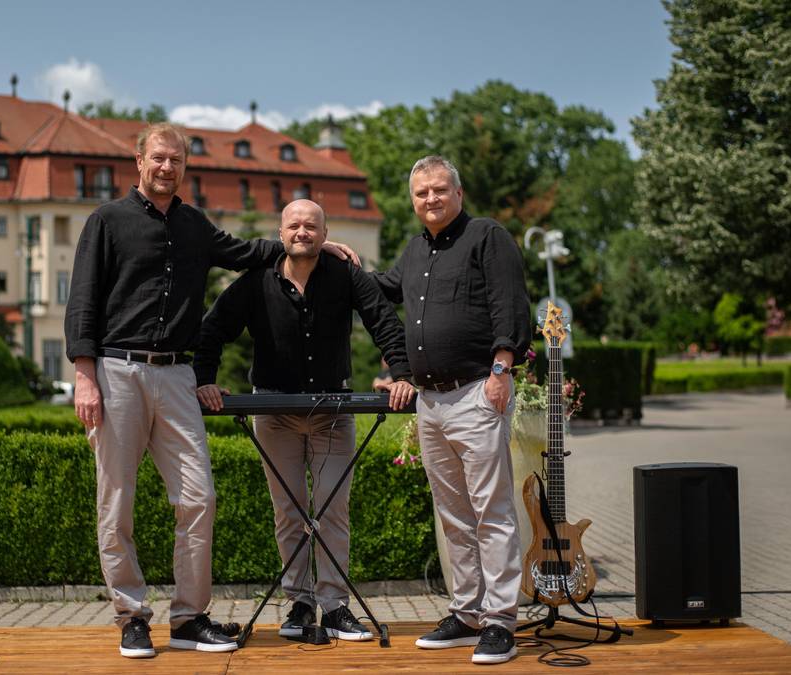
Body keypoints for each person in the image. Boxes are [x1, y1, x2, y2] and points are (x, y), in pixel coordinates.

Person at [64, 124, 358, 659]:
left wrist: (308, 241)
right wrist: (85, 375)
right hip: (117, 371)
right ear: (139, 161)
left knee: (199, 498)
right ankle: (131, 616)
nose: (166, 167)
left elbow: (246, 251)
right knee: (117, 503)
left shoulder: (195, 224)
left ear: (183, 167)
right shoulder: (105, 221)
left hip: (177, 375)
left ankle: (189, 618)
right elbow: (82, 299)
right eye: (158, 158)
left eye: (176, 160)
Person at [195, 199, 415, 642]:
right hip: (273, 414)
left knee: (333, 512)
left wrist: (401, 375)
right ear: (281, 233)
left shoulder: (346, 276)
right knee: (289, 513)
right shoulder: (256, 282)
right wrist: (205, 381)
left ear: (324, 232)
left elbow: (383, 321)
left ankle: (335, 607)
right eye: (294, 225)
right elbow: (212, 329)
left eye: (311, 226)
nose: (302, 232)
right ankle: (298, 604)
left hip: (334, 415)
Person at [374, 156, 531, 665]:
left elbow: (510, 302)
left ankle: (501, 620)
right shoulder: (415, 249)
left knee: (492, 510)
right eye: (421, 194)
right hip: (430, 400)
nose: (431, 200)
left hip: (475, 393)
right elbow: (384, 289)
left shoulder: (487, 236)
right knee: (454, 515)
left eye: (439, 191)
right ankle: (466, 613)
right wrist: (336, 261)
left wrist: (502, 367)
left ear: (458, 193)